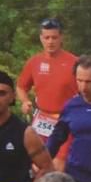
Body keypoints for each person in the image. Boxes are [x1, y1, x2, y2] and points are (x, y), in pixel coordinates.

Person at [16, 18, 77, 149]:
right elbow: (21, 86)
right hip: (42, 120)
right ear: (41, 38)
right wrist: (25, 101)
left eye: (54, 37)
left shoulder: (74, 62)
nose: (50, 41)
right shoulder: (34, 62)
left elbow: (87, 91)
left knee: (59, 163)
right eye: (47, 37)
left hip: (66, 120)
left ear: (61, 38)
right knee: (38, 161)